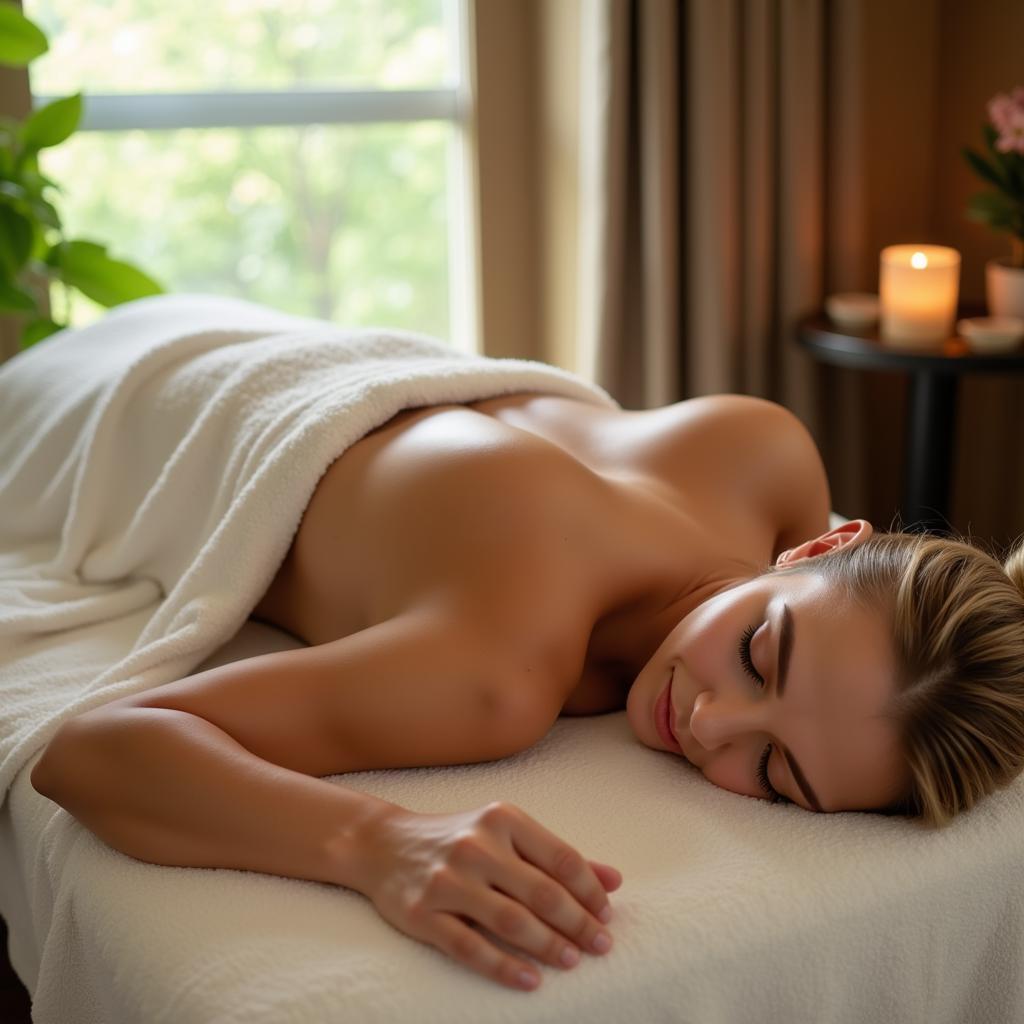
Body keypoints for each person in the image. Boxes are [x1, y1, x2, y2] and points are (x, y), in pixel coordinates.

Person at [30, 390, 1024, 993]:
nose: (712, 722)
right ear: (822, 541)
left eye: (775, 772)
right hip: (148, 403)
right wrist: (375, 841)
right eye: (762, 653)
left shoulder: (766, 452)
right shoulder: (495, 674)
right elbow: (95, 749)